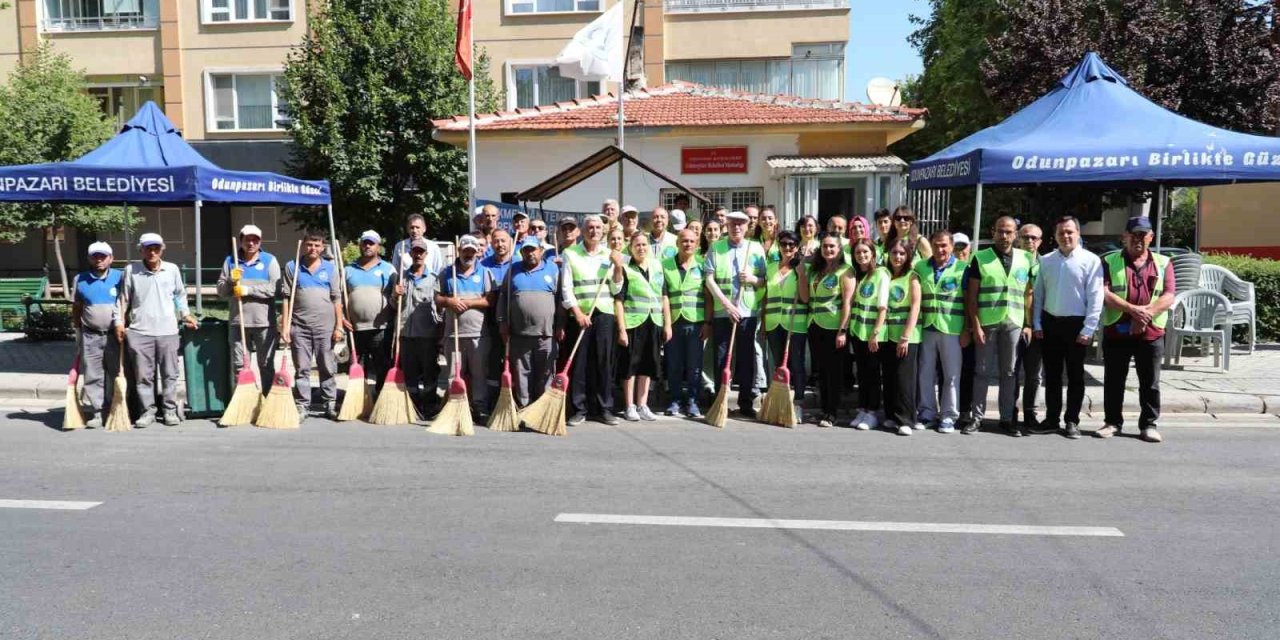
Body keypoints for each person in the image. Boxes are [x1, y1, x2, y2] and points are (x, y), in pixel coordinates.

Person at [1100, 216, 1175, 443]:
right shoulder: (1109, 261)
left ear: (1151, 237)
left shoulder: (1164, 263)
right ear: (1125, 237)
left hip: (1150, 332)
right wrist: (1134, 310)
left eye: (1143, 235)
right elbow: (1103, 292)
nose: (1138, 240)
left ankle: (1149, 425)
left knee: (1150, 382)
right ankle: (1112, 422)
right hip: (1117, 330)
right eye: (1133, 235)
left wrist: (1146, 315)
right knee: (1114, 380)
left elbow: (1169, 295)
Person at [1033, 216, 1104, 440]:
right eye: (1061, 232)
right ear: (1054, 236)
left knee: (1075, 376)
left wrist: (1089, 328)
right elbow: (1039, 295)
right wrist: (1036, 322)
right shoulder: (1046, 261)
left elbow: (1096, 296)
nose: (1065, 236)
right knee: (1052, 375)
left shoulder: (1091, 261)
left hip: (1077, 325)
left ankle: (1072, 420)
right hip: (1050, 322)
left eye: (1070, 232)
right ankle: (1052, 419)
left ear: (1078, 234)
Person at [964, 216, 1034, 436]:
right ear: (993, 232)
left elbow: (1028, 293)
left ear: (1016, 235)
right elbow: (972, 296)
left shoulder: (1026, 258)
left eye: (1009, 232)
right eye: (1001, 231)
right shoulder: (980, 258)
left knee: (1010, 372)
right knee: (981, 371)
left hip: (1014, 321)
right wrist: (975, 325)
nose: (1004, 236)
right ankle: (977, 418)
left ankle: (1007, 419)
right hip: (987, 322)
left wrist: (1029, 324)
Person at [120, 233, 197, 427]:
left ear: (162, 249)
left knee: (170, 374)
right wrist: (119, 322)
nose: (152, 252)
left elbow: (180, 295)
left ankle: (169, 410)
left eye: (156, 248)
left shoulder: (171, 269)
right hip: (140, 331)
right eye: (148, 248)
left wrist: (186, 314)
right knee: (144, 376)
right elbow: (124, 299)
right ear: (141, 250)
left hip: (168, 330)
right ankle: (148, 412)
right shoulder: (131, 270)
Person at [562, 214, 626, 425]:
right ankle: (579, 409)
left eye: (598, 228)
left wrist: (617, 267)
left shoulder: (611, 255)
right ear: (583, 230)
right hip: (580, 315)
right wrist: (578, 313)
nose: (594, 231)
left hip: (604, 314)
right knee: (579, 364)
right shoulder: (570, 254)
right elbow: (566, 288)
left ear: (603, 231)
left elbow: (617, 288)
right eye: (590, 227)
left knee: (603, 363)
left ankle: (605, 408)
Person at [704, 210, 767, 419]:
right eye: (732, 224)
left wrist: (752, 278)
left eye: (741, 224)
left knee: (747, 358)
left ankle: (746, 402)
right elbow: (709, 280)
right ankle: (720, 399)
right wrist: (726, 305)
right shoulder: (716, 247)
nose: (736, 227)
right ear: (727, 226)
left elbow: (764, 281)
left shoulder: (755, 248)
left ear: (747, 226)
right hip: (724, 312)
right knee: (722, 358)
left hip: (747, 311)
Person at [282, 232, 344, 419]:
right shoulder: (293, 266)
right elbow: (286, 298)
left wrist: (339, 326)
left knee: (327, 366)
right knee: (302, 368)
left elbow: (337, 298)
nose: (313, 249)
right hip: (300, 327)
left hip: (325, 327)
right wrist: (285, 326)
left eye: (317, 245)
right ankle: (302, 405)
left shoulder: (330, 268)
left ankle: (329, 403)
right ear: (303, 246)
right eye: (309, 245)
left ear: (323, 247)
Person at [217, 224, 282, 393]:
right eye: (247, 239)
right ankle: (243, 402)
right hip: (239, 323)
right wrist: (231, 280)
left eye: (255, 240)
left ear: (260, 242)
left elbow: (274, 289)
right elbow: (221, 291)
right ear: (241, 241)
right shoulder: (231, 261)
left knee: (266, 364)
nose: (251, 243)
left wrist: (248, 290)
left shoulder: (269, 260)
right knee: (240, 365)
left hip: (264, 323)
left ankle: (268, 400)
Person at [914, 231, 966, 433]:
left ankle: (948, 416)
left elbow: (970, 300)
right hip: (927, 327)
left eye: (944, 245)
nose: (939, 249)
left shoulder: (962, 269)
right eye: (936, 245)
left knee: (951, 375)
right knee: (925, 373)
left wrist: (967, 329)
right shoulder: (921, 267)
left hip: (952, 328)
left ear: (952, 246)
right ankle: (927, 413)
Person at [498, 236, 561, 407]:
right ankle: (524, 407)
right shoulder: (512, 270)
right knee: (521, 373)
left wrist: (560, 325)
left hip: (546, 334)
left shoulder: (553, 269)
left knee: (546, 373)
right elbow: (503, 297)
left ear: (541, 251)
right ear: (521, 252)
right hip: (519, 334)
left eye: (533, 249)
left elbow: (561, 300)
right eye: (526, 250)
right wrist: (503, 322)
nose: (530, 253)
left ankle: (541, 409)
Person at [616, 232, 668, 421]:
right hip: (633, 322)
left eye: (644, 245)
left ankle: (642, 404)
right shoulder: (626, 267)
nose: (641, 248)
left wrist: (667, 324)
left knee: (648, 364)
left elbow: (664, 296)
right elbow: (619, 301)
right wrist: (621, 329)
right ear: (630, 248)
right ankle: (629, 405)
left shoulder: (656, 266)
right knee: (630, 366)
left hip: (653, 321)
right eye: (637, 245)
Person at [438, 235, 491, 418]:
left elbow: (489, 300)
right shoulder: (447, 272)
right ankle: (455, 407)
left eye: (472, 251)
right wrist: (449, 301)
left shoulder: (484, 272)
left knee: (479, 374)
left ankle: (480, 407)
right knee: (453, 373)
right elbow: (437, 298)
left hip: (478, 333)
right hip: (454, 334)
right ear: (459, 251)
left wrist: (468, 303)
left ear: (477, 252)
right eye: (465, 250)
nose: (468, 254)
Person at [72, 242, 123, 429]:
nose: (99, 259)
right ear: (89, 258)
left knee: (117, 373)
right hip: (91, 335)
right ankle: (97, 411)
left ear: (111, 258)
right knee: (93, 374)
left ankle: (117, 408)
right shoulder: (80, 279)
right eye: (95, 256)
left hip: (115, 335)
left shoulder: (121, 277)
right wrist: (78, 332)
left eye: (103, 256)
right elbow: (76, 308)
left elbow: (130, 303)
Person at [390, 238, 442, 417]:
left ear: (426, 255)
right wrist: (396, 296)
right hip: (406, 333)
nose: (418, 254)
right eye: (415, 251)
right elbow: (394, 305)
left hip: (427, 334)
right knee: (409, 372)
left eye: (421, 252)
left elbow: (439, 308)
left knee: (429, 371)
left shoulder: (435, 279)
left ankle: (429, 404)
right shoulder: (402, 277)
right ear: (410, 254)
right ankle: (412, 404)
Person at [806, 233, 851, 427]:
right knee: (821, 372)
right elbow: (806, 297)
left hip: (834, 327)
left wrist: (842, 330)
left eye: (832, 246)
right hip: (815, 325)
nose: (828, 250)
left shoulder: (846, 271)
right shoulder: (816, 271)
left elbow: (848, 303)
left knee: (834, 372)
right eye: (825, 246)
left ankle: (832, 413)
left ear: (839, 249)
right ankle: (824, 409)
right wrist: (801, 269)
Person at [344, 230, 396, 396]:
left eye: (371, 243)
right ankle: (360, 398)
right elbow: (339, 297)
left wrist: (397, 293)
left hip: (381, 327)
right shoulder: (348, 270)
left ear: (378, 246)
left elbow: (396, 298)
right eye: (365, 242)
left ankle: (381, 398)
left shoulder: (389, 269)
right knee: (356, 366)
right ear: (360, 244)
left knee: (382, 365)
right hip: (354, 328)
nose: (367, 246)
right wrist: (343, 320)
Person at [663, 228, 708, 418]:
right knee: (673, 364)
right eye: (684, 241)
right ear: (677, 243)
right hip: (673, 322)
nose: (687, 244)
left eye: (691, 241)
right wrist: (666, 324)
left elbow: (708, 297)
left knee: (694, 365)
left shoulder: (703, 265)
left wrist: (708, 322)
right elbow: (663, 296)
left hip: (696, 322)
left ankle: (692, 401)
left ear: (697, 244)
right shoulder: (665, 265)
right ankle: (675, 400)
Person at [879, 239, 922, 436]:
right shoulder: (886, 276)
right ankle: (891, 415)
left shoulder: (912, 277)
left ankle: (906, 419)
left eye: (902, 254)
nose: (897, 257)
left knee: (904, 378)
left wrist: (905, 336)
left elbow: (915, 307)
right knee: (889, 376)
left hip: (906, 336)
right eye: (894, 253)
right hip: (888, 334)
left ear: (908, 256)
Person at [847, 239, 887, 431]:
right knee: (862, 372)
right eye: (857, 253)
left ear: (873, 253)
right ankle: (862, 408)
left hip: (872, 333)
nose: (861, 256)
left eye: (865, 252)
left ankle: (872, 412)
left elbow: (882, 307)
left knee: (872, 373)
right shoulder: (859, 275)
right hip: (858, 331)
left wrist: (875, 333)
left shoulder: (881, 273)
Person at [1014, 224, 1044, 431]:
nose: (1029, 241)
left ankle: (1030, 413)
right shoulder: (1012, 263)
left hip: (1038, 327)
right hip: (1014, 325)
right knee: (1012, 372)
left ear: (1040, 241)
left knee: (1034, 374)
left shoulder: (1047, 264)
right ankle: (1010, 411)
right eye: (1025, 237)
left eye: (1034, 238)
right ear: (1019, 239)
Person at [480, 229, 515, 406]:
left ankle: (513, 398)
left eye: (503, 241)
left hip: (515, 320)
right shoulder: (483, 265)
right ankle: (493, 400)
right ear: (491, 243)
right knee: (493, 359)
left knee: (514, 360)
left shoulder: (518, 262)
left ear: (510, 242)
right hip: (491, 320)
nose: (500, 244)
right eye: (496, 241)